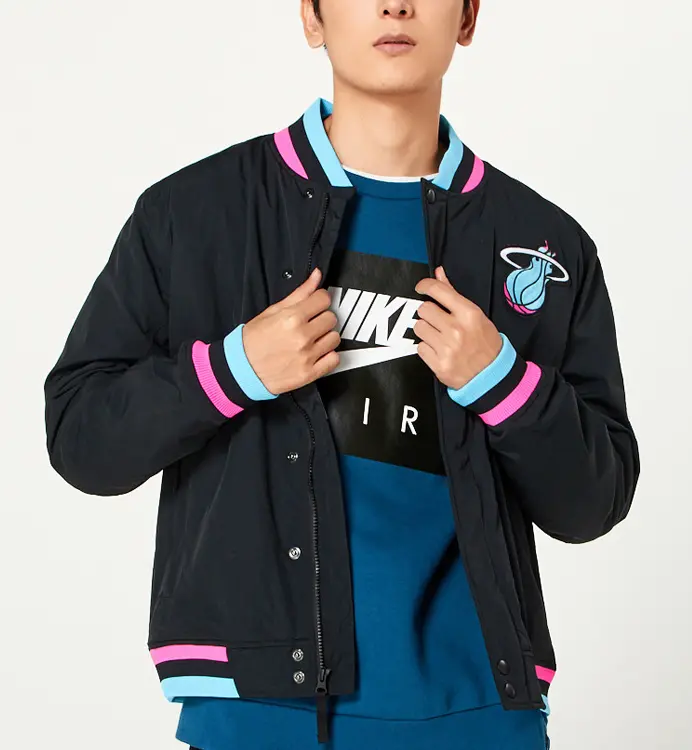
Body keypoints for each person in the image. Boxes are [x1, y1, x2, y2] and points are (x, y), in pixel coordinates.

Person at [43, 0, 640, 748]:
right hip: (257, 711)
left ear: (467, 18)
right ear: (312, 17)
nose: (395, 5)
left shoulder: (542, 245)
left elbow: (593, 502)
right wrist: (233, 369)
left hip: (479, 711)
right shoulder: (193, 215)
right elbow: (81, 437)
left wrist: (501, 381)